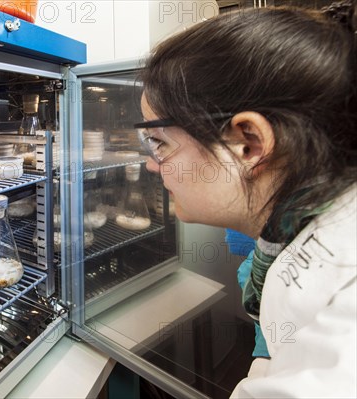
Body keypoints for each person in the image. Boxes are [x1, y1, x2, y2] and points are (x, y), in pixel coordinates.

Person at [137, 4, 356, 398]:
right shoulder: (289, 234)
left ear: (247, 144)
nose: (153, 167)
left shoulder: (345, 314)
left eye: (160, 144)